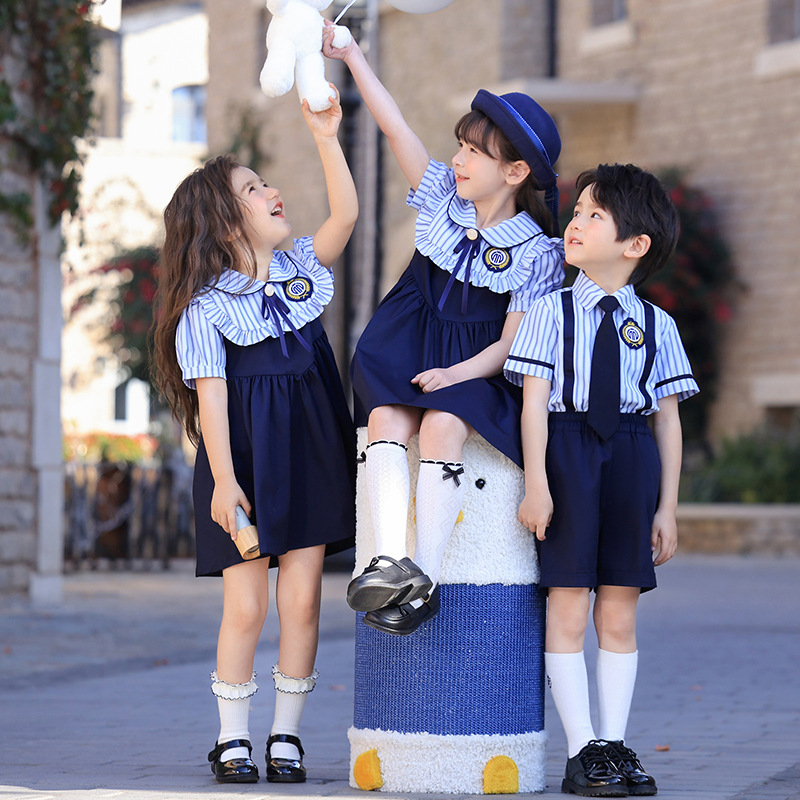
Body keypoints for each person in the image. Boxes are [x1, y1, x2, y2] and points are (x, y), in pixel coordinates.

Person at [322, 25, 565, 636]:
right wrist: (352, 55)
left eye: (474, 152)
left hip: (477, 365)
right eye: (459, 145)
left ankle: (423, 574)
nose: (457, 159)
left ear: (515, 171)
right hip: (412, 344)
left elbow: (511, 343)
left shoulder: (536, 252)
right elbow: (395, 127)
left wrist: (456, 374)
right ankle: (386, 561)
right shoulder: (440, 201)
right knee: (384, 418)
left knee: (442, 424)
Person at [152, 85, 357, 785]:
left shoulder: (301, 271)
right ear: (222, 221)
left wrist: (326, 136)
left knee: (303, 600)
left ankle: (286, 735)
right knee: (247, 603)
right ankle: (232, 737)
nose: (271, 192)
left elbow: (346, 214)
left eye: (265, 182)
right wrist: (224, 480)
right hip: (241, 465)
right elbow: (211, 397)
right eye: (252, 188)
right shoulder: (206, 310)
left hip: (311, 455)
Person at [505, 163, 699, 797]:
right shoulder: (549, 311)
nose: (575, 223)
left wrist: (666, 507)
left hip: (633, 458)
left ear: (635, 244)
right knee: (567, 603)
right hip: (567, 454)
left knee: (618, 609)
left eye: (594, 215)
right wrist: (538, 484)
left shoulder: (658, 325)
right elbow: (534, 406)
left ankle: (614, 744)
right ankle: (581, 749)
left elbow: (667, 419)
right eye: (577, 211)